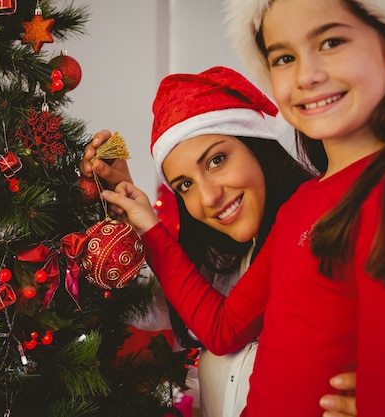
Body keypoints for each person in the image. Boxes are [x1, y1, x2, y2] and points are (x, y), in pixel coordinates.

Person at [98, 0, 385, 416]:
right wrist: (146, 224)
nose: (307, 75)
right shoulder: (303, 204)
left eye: (331, 41)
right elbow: (223, 329)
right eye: (285, 57)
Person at [82, 66, 358, 417]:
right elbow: (146, 307)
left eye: (216, 160)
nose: (208, 197)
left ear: (257, 146)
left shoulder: (325, 232)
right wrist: (122, 222)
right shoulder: (221, 264)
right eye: (185, 185)